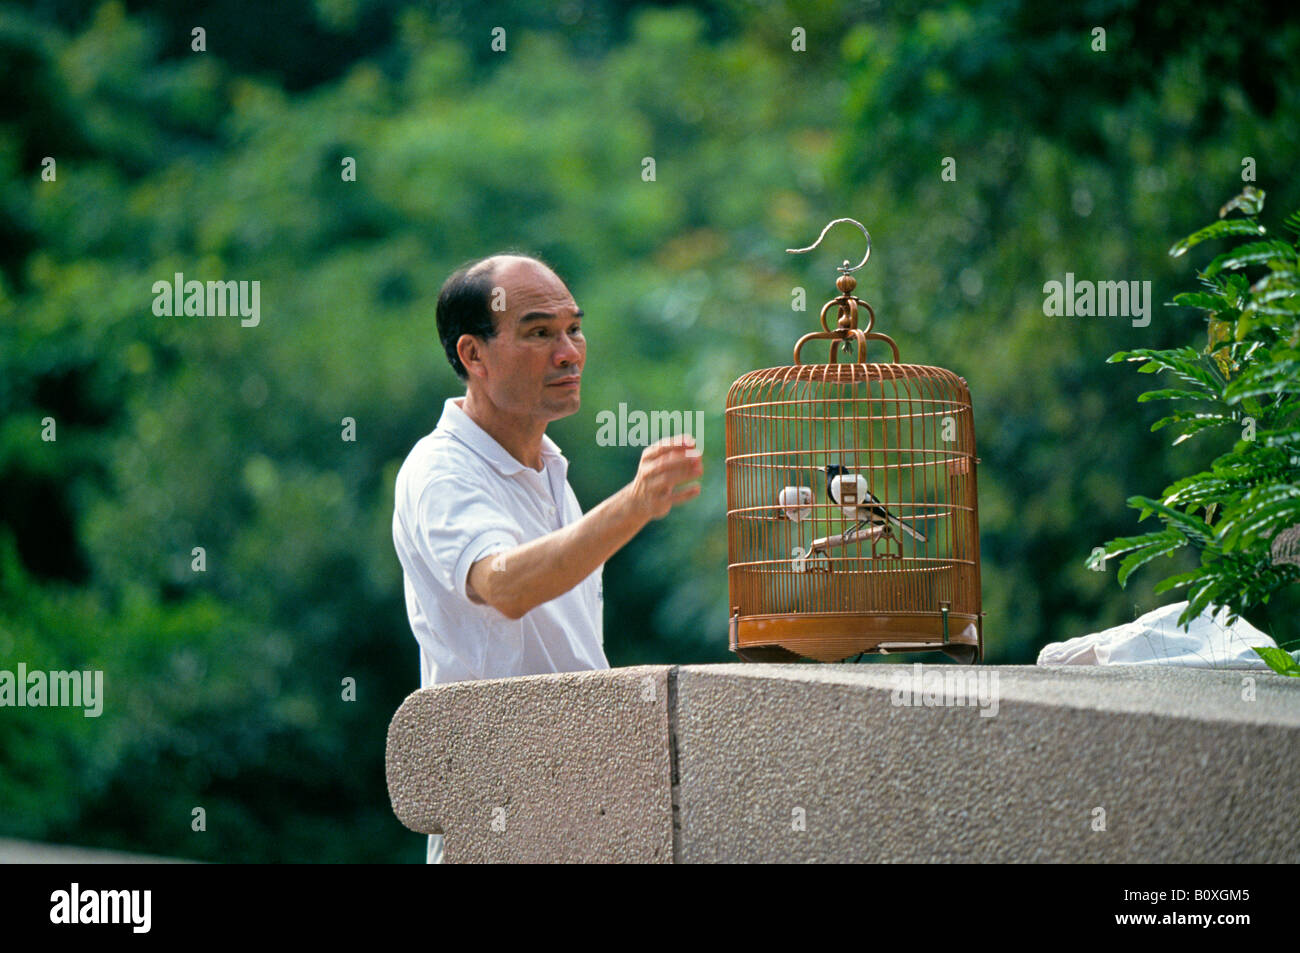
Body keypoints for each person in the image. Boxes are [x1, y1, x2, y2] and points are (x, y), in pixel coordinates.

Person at [391, 253, 702, 864]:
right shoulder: (439, 470)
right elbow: (504, 585)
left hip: (586, 807)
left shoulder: (553, 471)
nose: (569, 352)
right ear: (472, 356)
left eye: (574, 329)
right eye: (538, 333)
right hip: (501, 819)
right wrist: (634, 504)